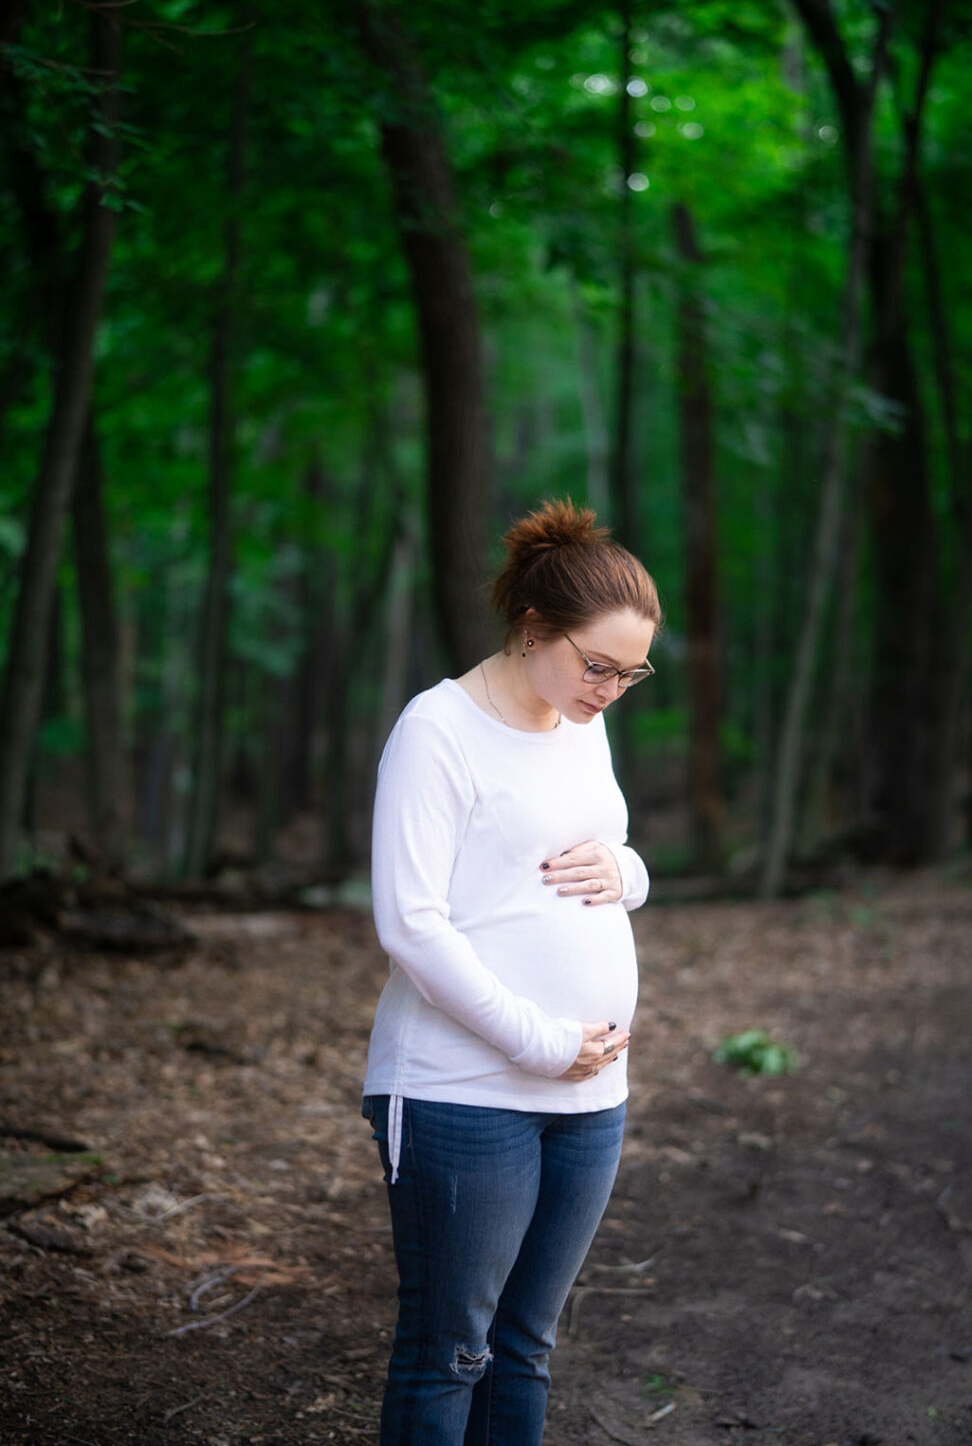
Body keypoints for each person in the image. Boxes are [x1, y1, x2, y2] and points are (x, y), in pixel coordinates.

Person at [362, 498, 662, 1445]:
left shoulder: (582, 721)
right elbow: (410, 924)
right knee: (451, 1349)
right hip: (465, 1092)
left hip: (592, 1091)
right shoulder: (436, 730)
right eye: (598, 664)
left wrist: (632, 870)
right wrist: (541, 1043)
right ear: (535, 628)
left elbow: (605, 852)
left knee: (527, 1343)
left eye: (632, 671)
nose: (612, 688)